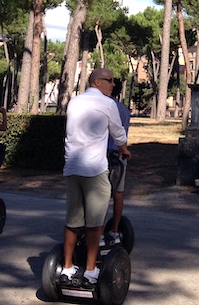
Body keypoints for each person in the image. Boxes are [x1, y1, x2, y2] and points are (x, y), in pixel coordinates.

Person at [61, 67, 131, 288]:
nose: (113, 85)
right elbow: (118, 133)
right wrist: (125, 149)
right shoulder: (108, 104)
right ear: (98, 82)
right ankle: (91, 271)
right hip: (95, 169)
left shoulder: (74, 102)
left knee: (72, 222)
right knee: (95, 224)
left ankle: (67, 267)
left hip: (72, 167)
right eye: (110, 81)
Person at [104, 79, 131, 247]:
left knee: (99, 195)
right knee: (118, 193)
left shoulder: (104, 108)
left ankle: (95, 231)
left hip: (103, 156)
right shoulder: (124, 110)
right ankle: (114, 230)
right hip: (119, 157)